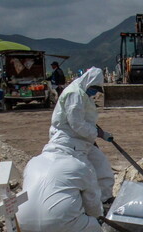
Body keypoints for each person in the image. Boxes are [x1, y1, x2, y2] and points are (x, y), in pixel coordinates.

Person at [16, 137, 112, 232]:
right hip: (63, 225)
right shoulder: (79, 165)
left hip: (25, 227)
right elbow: (93, 206)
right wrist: (95, 220)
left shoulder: (33, 162)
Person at [49, 67, 115, 203]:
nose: (94, 92)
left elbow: (85, 119)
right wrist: (96, 133)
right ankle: (89, 206)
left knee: (102, 165)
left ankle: (105, 199)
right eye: (94, 88)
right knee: (85, 173)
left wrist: (100, 133)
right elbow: (76, 123)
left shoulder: (83, 93)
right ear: (88, 82)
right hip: (68, 140)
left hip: (82, 138)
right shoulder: (74, 94)